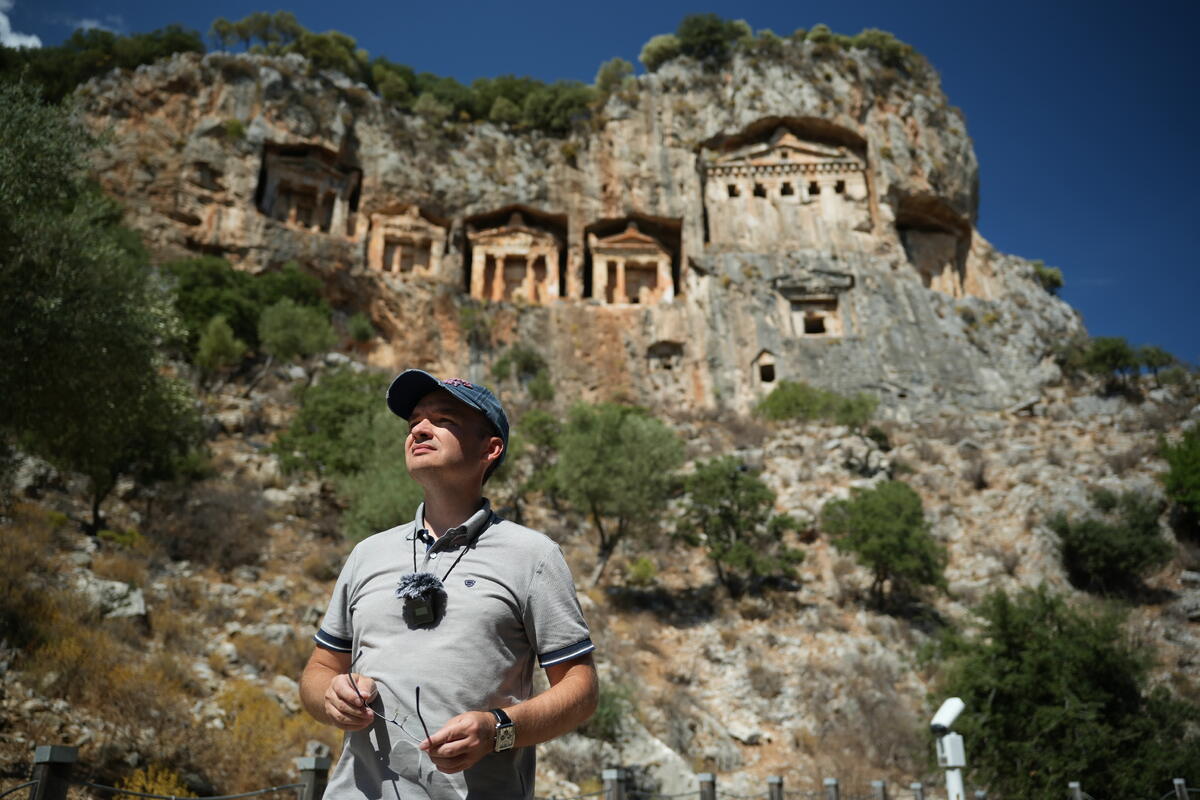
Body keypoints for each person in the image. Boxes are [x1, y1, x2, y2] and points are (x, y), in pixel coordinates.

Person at [299, 369, 598, 800]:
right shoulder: (367, 554)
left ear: (490, 449)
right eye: (414, 421)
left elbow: (581, 691)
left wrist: (498, 730)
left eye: (445, 420)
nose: (419, 428)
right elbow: (319, 670)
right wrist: (330, 694)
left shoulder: (534, 556)